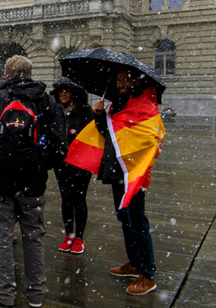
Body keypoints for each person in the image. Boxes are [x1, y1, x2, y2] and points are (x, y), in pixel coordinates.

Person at [0, 55, 67, 308]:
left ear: (6, 74)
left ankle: (3, 295)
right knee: (34, 236)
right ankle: (36, 295)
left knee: (2, 236)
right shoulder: (46, 102)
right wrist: (37, 165)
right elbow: (59, 148)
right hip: (32, 183)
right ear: (31, 73)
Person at [90, 69, 164, 295]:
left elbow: (152, 137)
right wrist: (100, 116)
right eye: (119, 80)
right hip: (117, 169)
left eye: (126, 80)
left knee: (137, 221)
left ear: (136, 81)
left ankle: (148, 275)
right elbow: (109, 134)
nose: (121, 84)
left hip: (133, 171)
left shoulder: (142, 104)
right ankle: (134, 263)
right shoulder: (117, 104)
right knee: (124, 217)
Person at [49, 77, 95, 254]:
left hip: (81, 162)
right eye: (60, 90)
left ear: (74, 93)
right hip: (62, 162)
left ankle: (80, 237)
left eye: (66, 90)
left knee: (79, 199)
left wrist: (99, 116)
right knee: (66, 199)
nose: (63, 94)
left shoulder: (85, 111)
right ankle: (69, 234)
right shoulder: (54, 111)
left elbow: (96, 133)